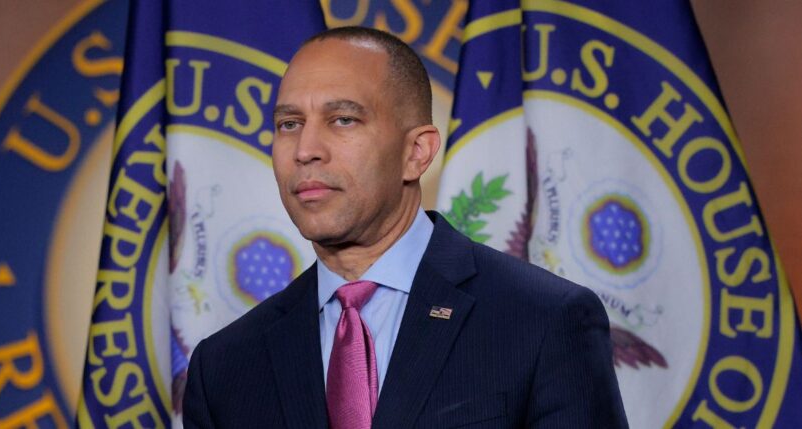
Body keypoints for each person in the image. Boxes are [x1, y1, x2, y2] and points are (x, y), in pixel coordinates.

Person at [184, 26, 628, 428]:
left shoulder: (545, 320)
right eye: (289, 124)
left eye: (343, 120)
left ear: (416, 152)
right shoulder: (223, 367)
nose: (306, 150)